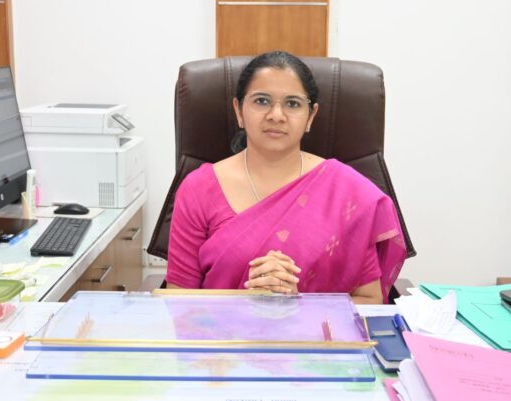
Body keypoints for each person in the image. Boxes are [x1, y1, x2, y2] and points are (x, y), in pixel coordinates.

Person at [165, 51, 407, 304]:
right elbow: (179, 302)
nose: (276, 115)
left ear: (311, 116)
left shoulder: (347, 192)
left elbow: (369, 300)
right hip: (223, 329)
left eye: (292, 104)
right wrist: (247, 300)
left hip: (316, 330)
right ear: (239, 111)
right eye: (261, 101)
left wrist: (297, 305)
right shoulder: (198, 189)